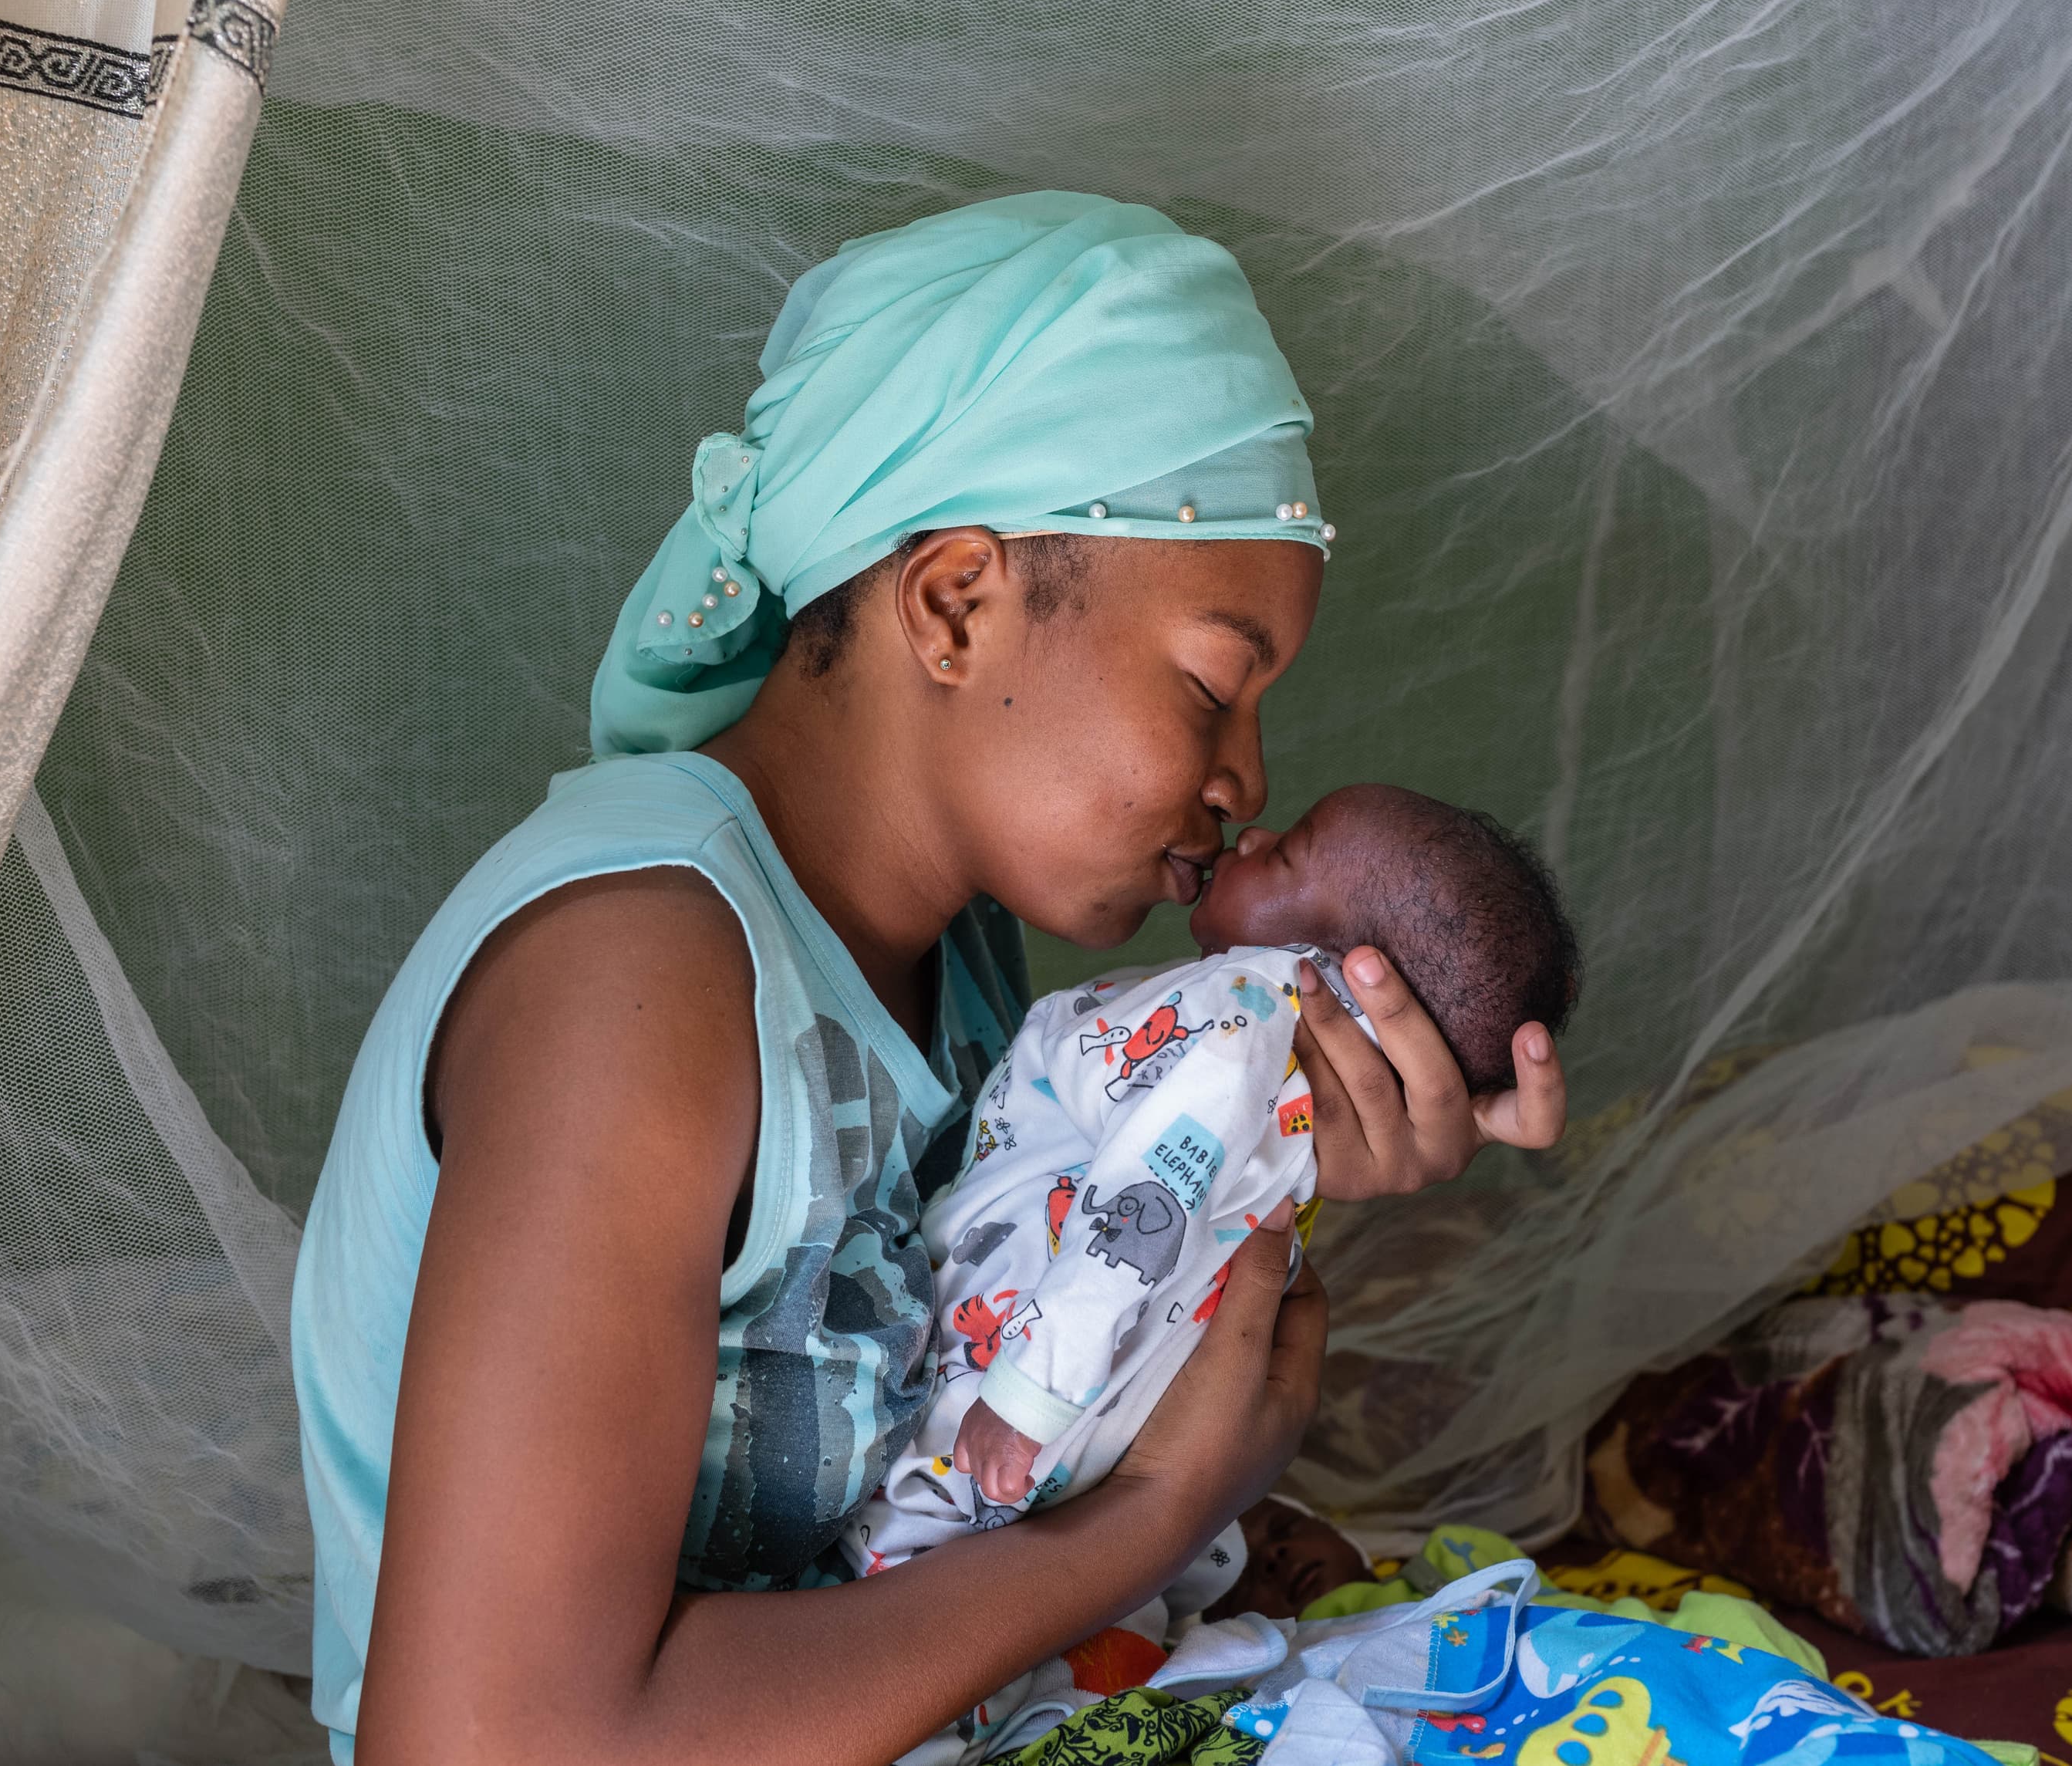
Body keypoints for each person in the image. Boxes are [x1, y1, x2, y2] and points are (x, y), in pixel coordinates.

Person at [289, 192, 1571, 1766]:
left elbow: (962, 1429)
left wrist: (1274, 1159)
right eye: (1215, 687)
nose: (1245, 777)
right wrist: (1155, 1520)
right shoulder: (643, 976)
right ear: (955, 603)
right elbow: (488, 1741)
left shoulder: (952, 967)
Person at [846, 784, 1580, 1579]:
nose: (1254, 835)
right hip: (1061, 1438)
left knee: (883, 1556)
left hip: (1001, 1389)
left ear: (1347, 975)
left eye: (1290, 850)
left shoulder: (1242, 1019)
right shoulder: (1282, 1093)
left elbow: (1139, 1215)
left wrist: (1028, 1397)